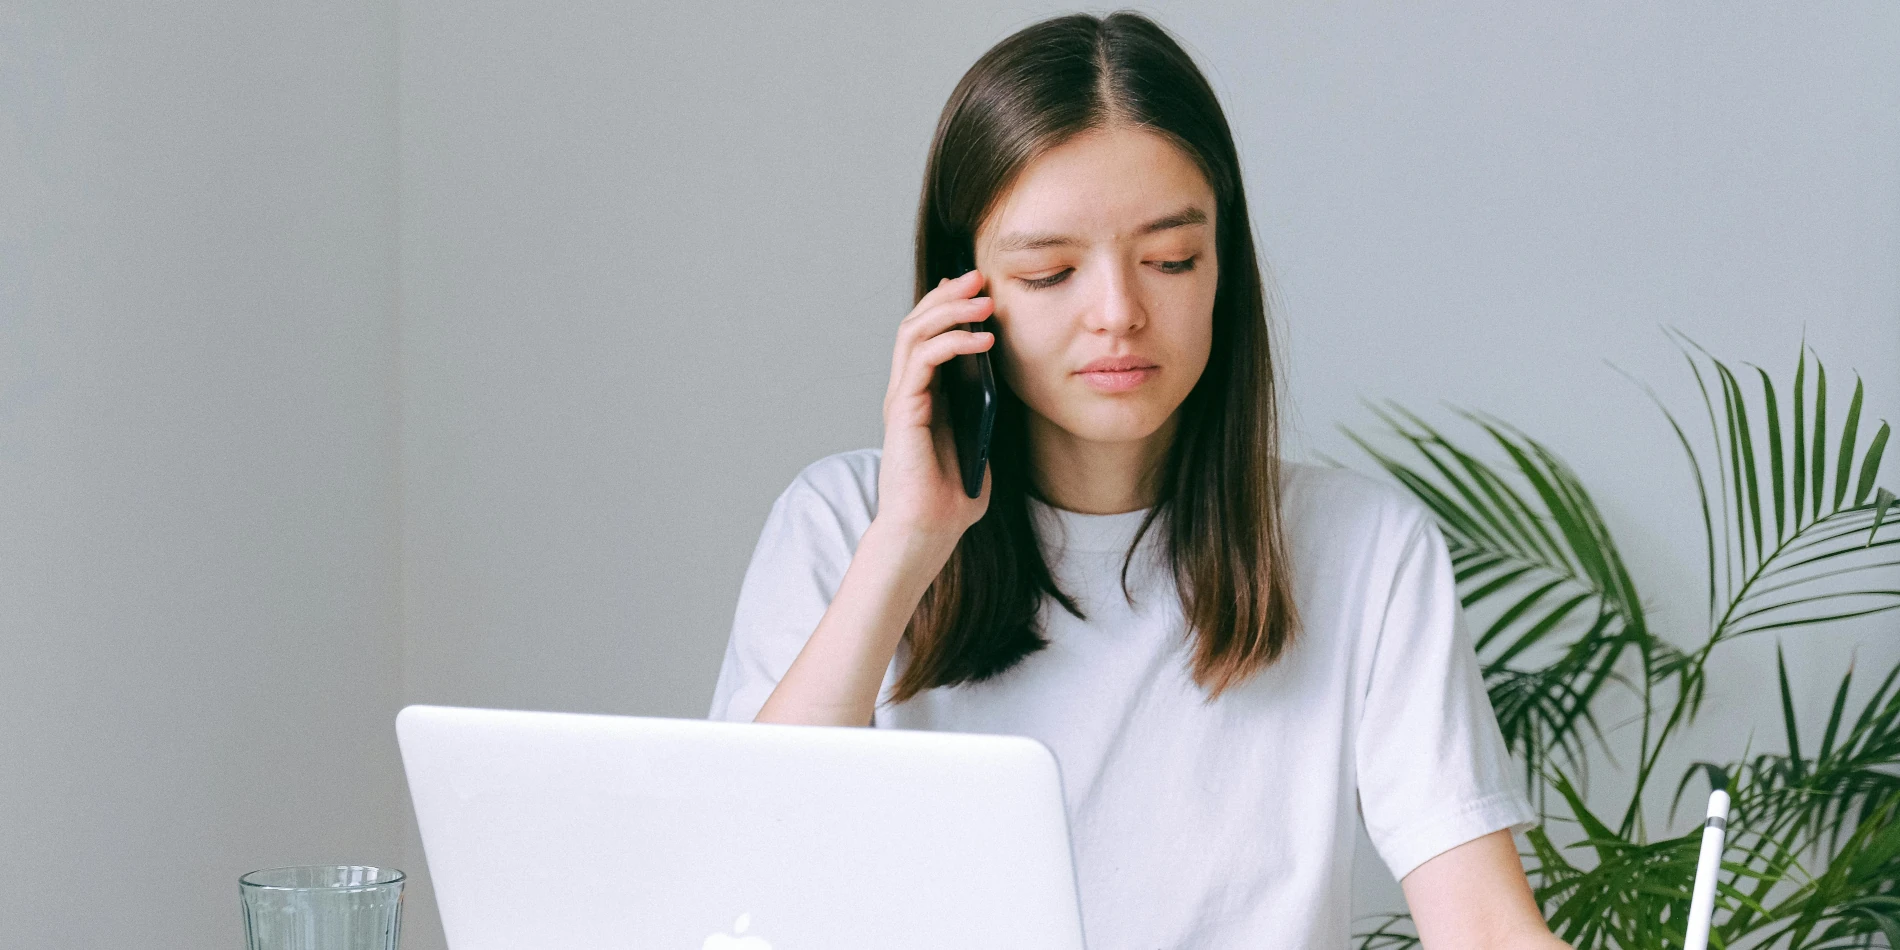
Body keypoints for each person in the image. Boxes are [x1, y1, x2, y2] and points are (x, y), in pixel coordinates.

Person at [707, 10, 1571, 950]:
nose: (1118, 313)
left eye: (1170, 260)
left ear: (1222, 271)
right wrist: (906, 547)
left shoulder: (1364, 551)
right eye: (1049, 273)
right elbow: (744, 883)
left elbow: (1486, 930)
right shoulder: (840, 527)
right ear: (963, 295)